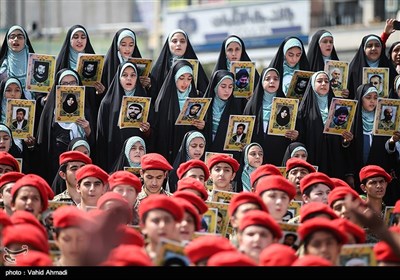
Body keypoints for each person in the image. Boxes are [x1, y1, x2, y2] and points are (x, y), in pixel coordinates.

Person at [36, 68, 94, 184]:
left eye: (73, 83)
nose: (68, 86)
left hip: (81, 164)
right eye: (64, 83)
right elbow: (44, 142)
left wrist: (87, 129)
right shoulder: (50, 112)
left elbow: (94, 143)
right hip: (55, 165)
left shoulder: (86, 111)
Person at [297, 71, 354, 182]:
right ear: (313, 84)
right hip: (313, 156)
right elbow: (301, 137)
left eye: (326, 81)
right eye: (319, 81)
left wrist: (346, 141)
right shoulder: (303, 110)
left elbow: (343, 139)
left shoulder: (340, 107)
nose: (323, 84)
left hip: (335, 158)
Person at [96, 62, 152, 173]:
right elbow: (101, 135)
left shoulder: (145, 101)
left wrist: (147, 130)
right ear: (119, 77)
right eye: (125, 75)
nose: (129, 79)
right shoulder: (107, 103)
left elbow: (153, 133)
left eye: (133, 75)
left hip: (137, 154)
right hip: (113, 152)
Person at [244, 68, 299, 166]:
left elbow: (295, 129)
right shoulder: (252, 105)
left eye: (276, 79)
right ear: (261, 81)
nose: (272, 82)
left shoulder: (288, 104)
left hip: (279, 151)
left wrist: (295, 134)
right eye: (267, 79)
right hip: (257, 154)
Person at [153, 59, 203, 164]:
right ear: (174, 77)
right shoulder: (163, 100)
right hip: (168, 150)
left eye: (189, 79)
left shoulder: (197, 98)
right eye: (181, 78)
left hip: (190, 151)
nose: (185, 83)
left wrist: (202, 126)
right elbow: (158, 131)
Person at [150, 29, 209, 104]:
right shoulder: (159, 68)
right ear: (168, 44)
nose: (178, 44)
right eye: (174, 41)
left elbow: (205, 93)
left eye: (182, 41)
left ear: (187, 44)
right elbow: (152, 96)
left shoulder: (196, 67)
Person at [203, 70, 242, 163]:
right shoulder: (205, 106)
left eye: (230, 87)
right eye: (223, 86)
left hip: (226, 157)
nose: (227, 90)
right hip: (206, 153)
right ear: (215, 86)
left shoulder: (236, 108)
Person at [101, 28, 148, 104]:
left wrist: (148, 84)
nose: (127, 49)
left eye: (131, 45)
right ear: (117, 45)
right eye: (123, 45)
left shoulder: (141, 64)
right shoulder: (108, 65)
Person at [348, 34, 396, 100]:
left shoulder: (389, 68)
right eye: (369, 46)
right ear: (363, 49)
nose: (373, 48)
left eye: (377, 45)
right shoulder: (354, 69)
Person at [0, 25, 35, 100]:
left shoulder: (35, 63)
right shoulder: (2, 65)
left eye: (20, 37)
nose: (16, 39)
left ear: (25, 41)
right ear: (7, 40)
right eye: (12, 37)